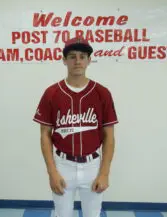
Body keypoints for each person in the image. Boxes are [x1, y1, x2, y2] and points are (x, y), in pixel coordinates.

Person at [33, 37, 118, 217]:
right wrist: (52, 172)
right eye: (72, 56)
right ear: (64, 60)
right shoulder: (52, 93)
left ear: (89, 60)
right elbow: (44, 135)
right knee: (62, 214)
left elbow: (109, 136)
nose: (77, 61)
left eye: (82, 56)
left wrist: (104, 173)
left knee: (92, 215)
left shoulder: (102, 92)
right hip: (63, 164)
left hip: (92, 165)